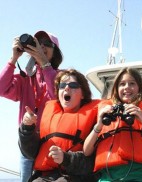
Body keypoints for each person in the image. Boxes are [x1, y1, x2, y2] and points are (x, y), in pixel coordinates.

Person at [0, 30, 63, 182]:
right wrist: (13, 59)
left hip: (52, 143)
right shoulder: (25, 78)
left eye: (47, 44)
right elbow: (2, 88)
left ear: (55, 52)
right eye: (37, 44)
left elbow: (58, 96)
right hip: (28, 142)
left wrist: (44, 64)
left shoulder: (62, 76)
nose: (41, 47)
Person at [83, 67, 142, 182]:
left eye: (132, 83)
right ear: (116, 88)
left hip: (141, 175)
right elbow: (87, 151)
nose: (127, 87)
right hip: (109, 176)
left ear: (139, 88)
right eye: (122, 84)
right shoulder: (105, 110)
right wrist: (100, 124)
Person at [18, 69, 100, 181]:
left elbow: (93, 163)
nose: (67, 88)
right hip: (44, 176)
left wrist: (66, 159)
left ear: (83, 94)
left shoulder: (96, 119)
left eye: (73, 85)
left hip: (75, 177)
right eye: (62, 85)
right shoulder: (49, 115)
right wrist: (27, 128)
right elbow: (30, 153)